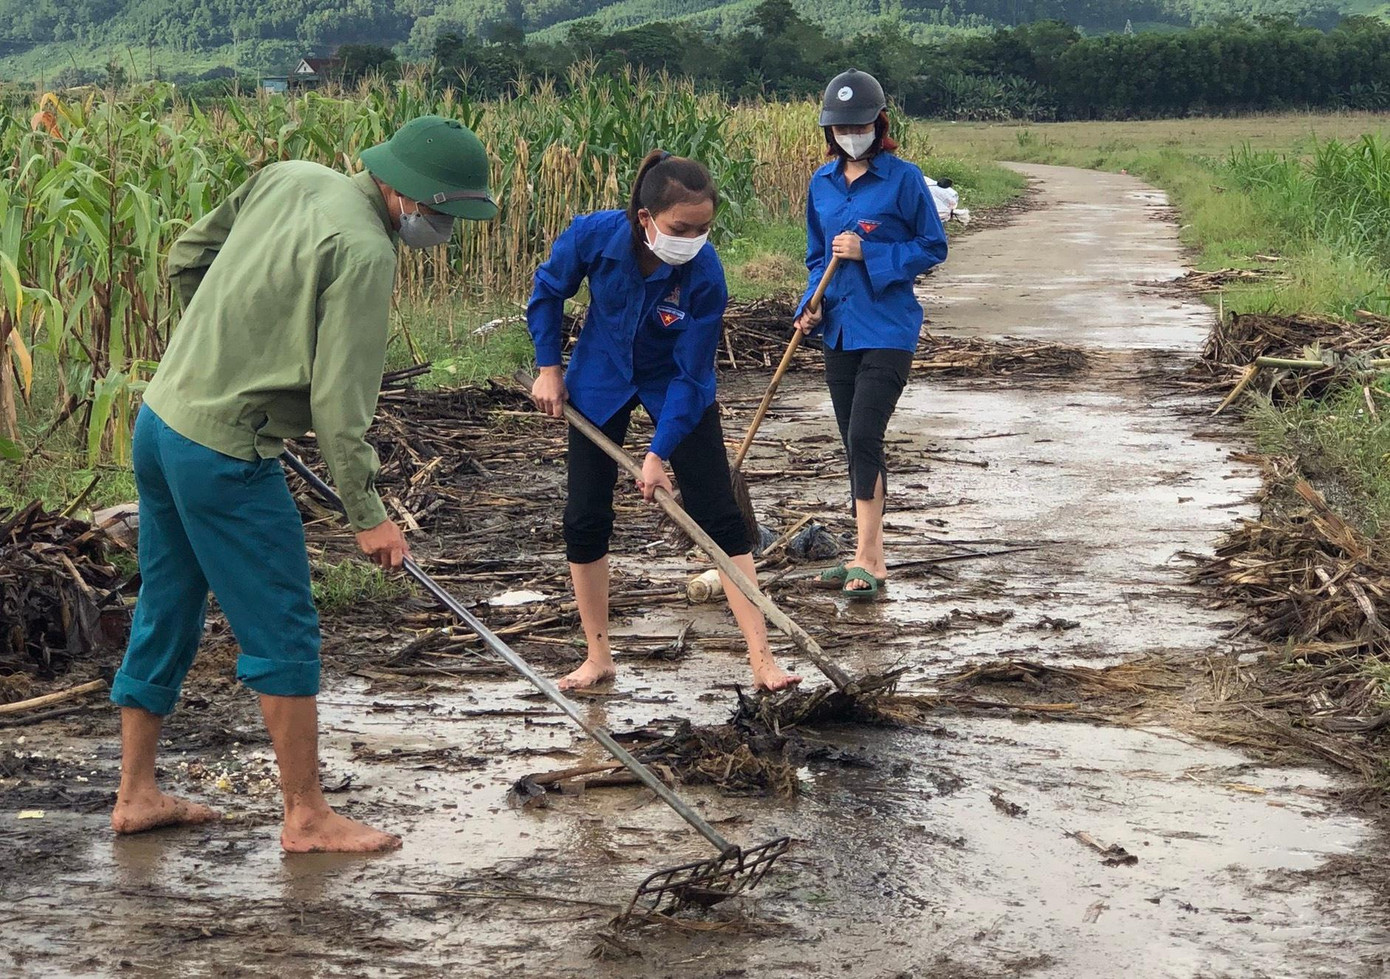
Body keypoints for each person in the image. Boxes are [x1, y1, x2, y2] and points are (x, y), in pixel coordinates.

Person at [109, 116, 498, 852]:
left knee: (167, 602)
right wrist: (368, 513)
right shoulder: (365, 251)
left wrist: (224, 354)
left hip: (162, 419)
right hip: (223, 455)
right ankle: (307, 815)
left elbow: (188, 257)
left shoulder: (291, 175)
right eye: (440, 212)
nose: (442, 229)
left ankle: (136, 793)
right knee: (282, 623)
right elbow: (339, 406)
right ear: (406, 191)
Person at [527, 150, 802, 694]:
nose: (693, 240)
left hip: (674, 383)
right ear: (645, 217)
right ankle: (598, 656)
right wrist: (549, 368)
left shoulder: (705, 273)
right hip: (601, 376)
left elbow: (693, 376)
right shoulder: (593, 235)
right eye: (681, 229)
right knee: (584, 516)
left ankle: (763, 659)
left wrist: (658, 453)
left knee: (718, 515)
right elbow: (548, 291)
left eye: (704, 229)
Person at [794, 69, 948, 600]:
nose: (850, 136)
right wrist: (809, 306)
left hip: (888, 328)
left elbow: (932, 247)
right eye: (841, 128)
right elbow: (817, 258)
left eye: (859, 126)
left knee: (865, 435)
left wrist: (871, 252)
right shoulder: (821, 183)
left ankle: (868, 558)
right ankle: (868, 557)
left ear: (879, 124)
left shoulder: (904, 179)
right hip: (838, 330)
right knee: (853, 443)